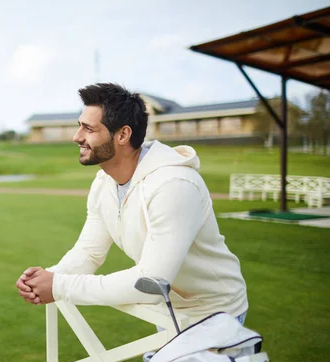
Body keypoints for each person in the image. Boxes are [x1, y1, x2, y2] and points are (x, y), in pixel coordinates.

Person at [16, 83, 248, 327]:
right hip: (170, 312)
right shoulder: (103, 183)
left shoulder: (174, 185)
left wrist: (59, 285)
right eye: (79, 126)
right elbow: (89, 252)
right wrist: (48, 277)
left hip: (215, 314)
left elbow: (151, 281)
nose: (77, 137)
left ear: (123, 135)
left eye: (88, 129)